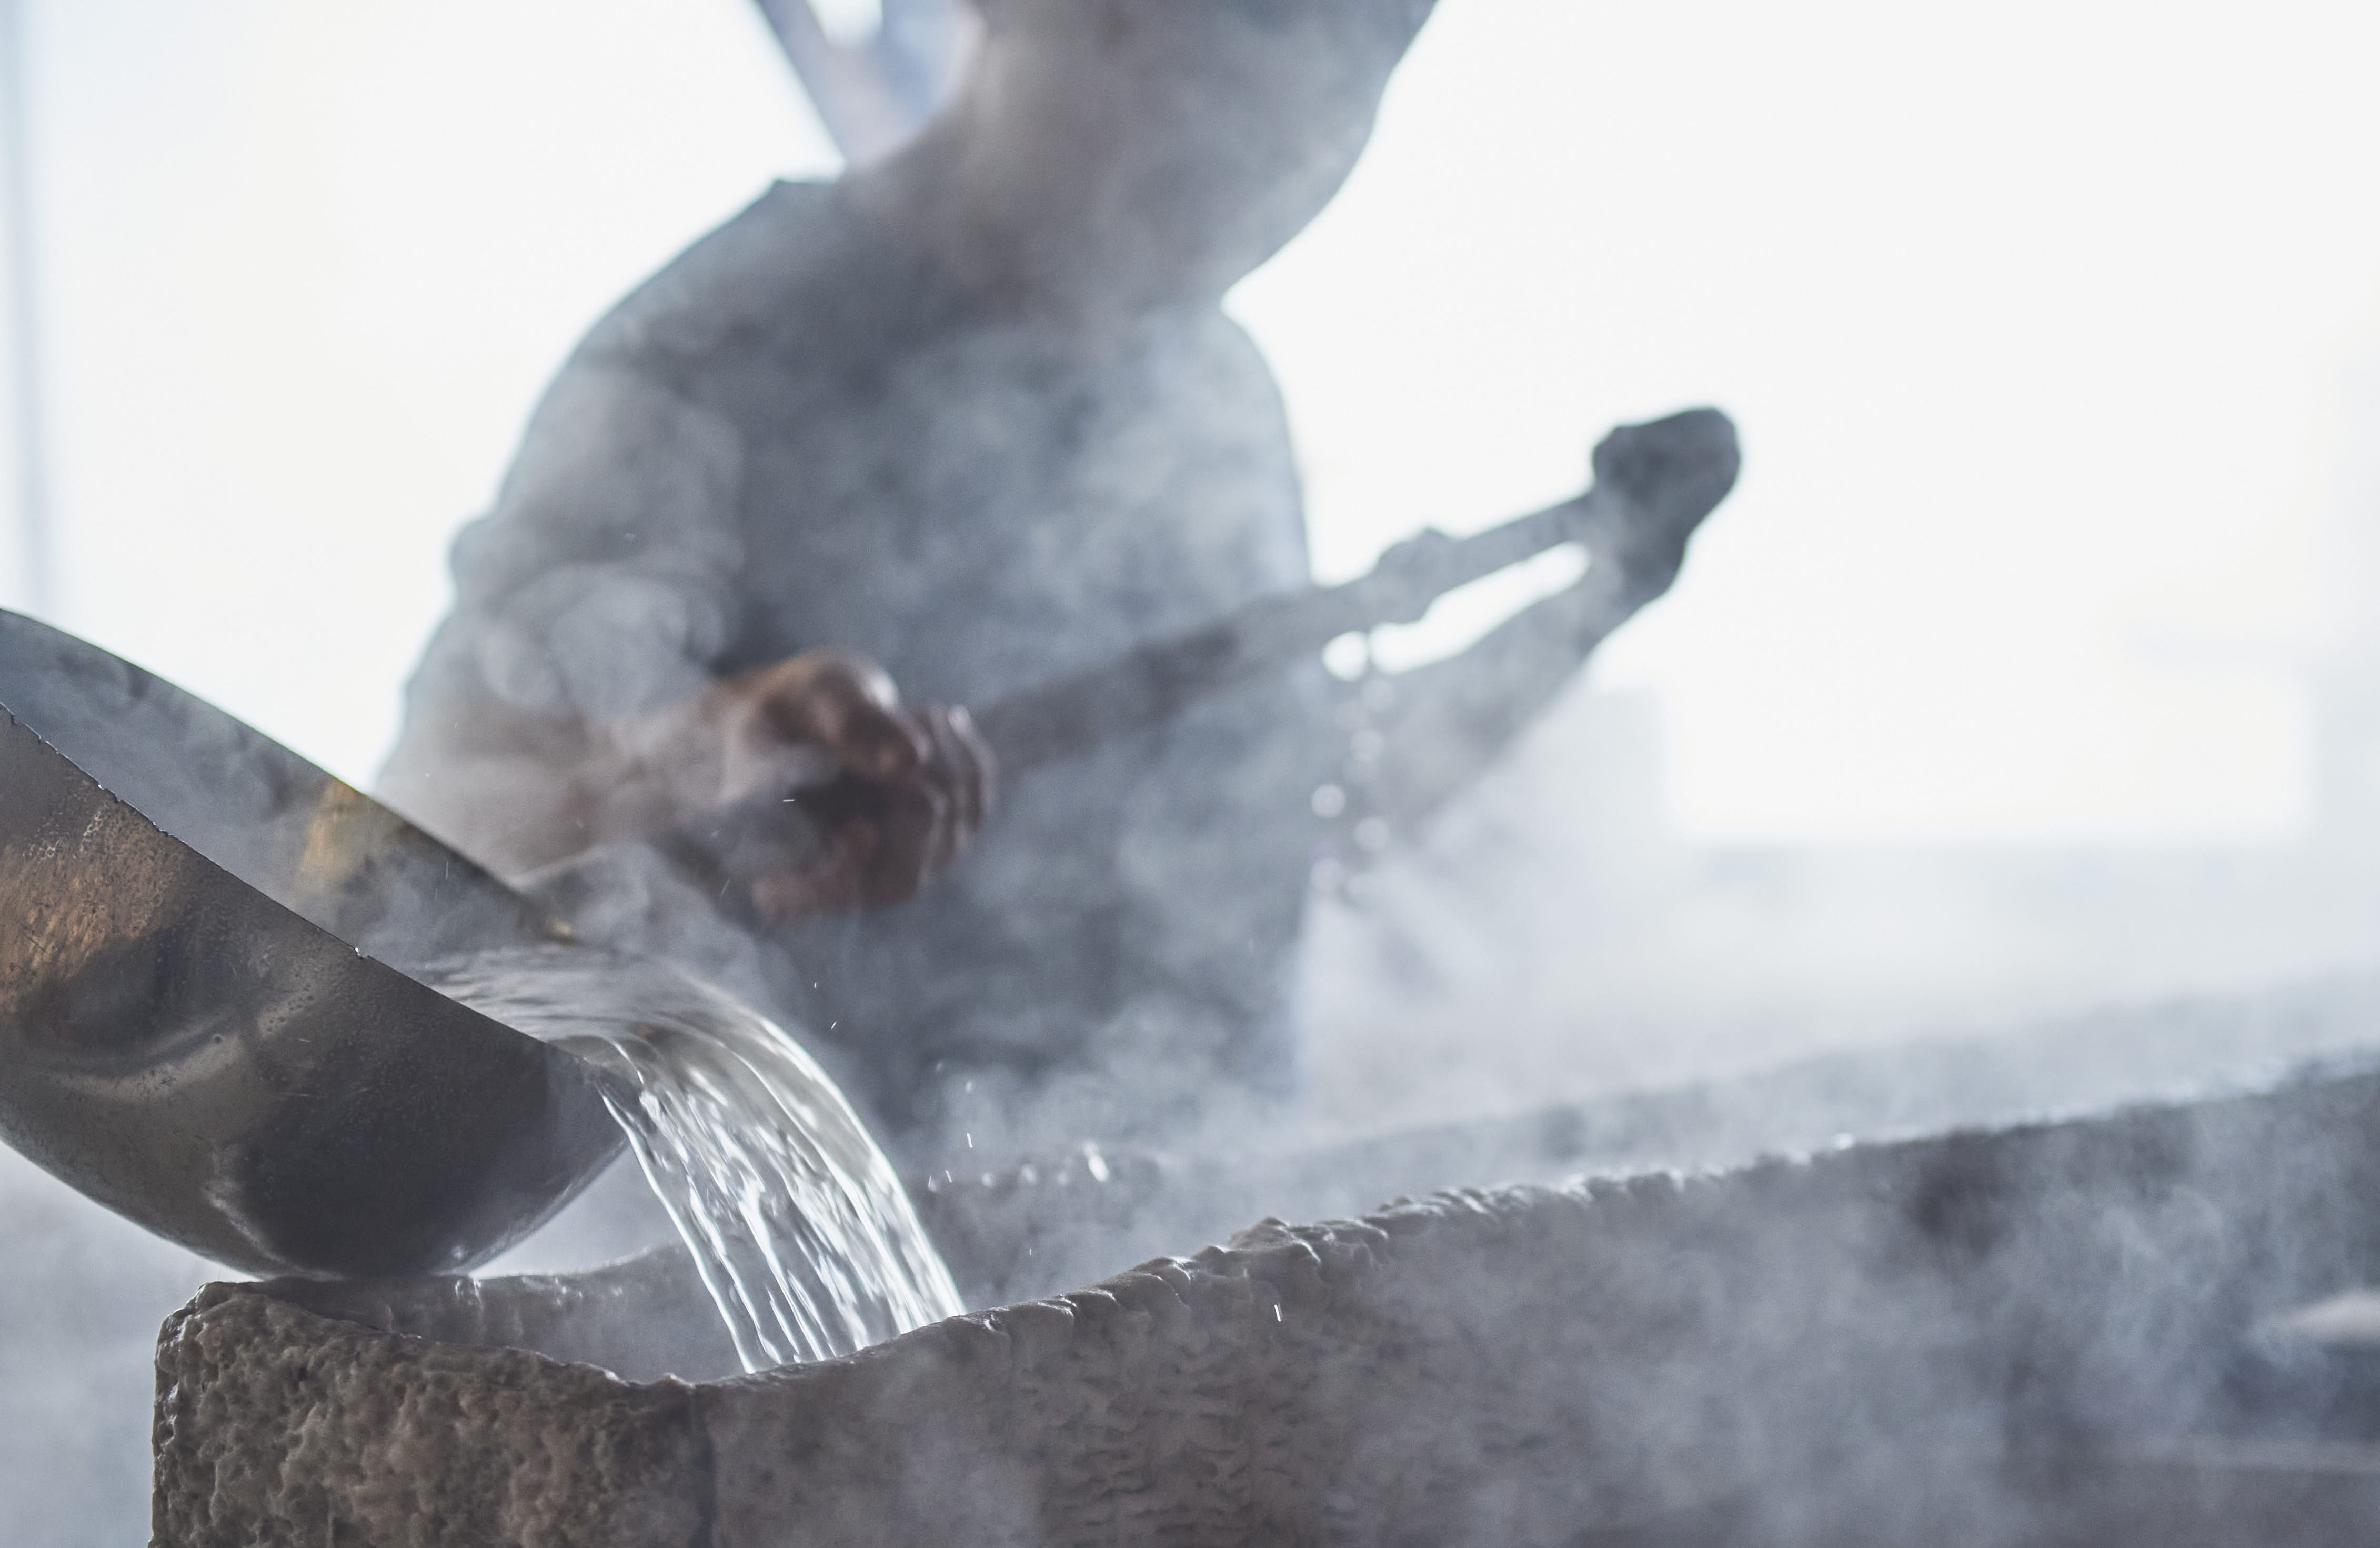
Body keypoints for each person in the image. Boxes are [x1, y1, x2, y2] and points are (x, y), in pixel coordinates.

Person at [379, 0, 1717, 1148]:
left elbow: (1300, 808)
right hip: (840, 1340)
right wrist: (709, 743)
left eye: (1337, 107)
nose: (1270, 170)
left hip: (1208, 1276)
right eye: (1218, 67)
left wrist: (1591, 600)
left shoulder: (1217, 387)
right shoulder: (716, 356)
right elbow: (422, 837)